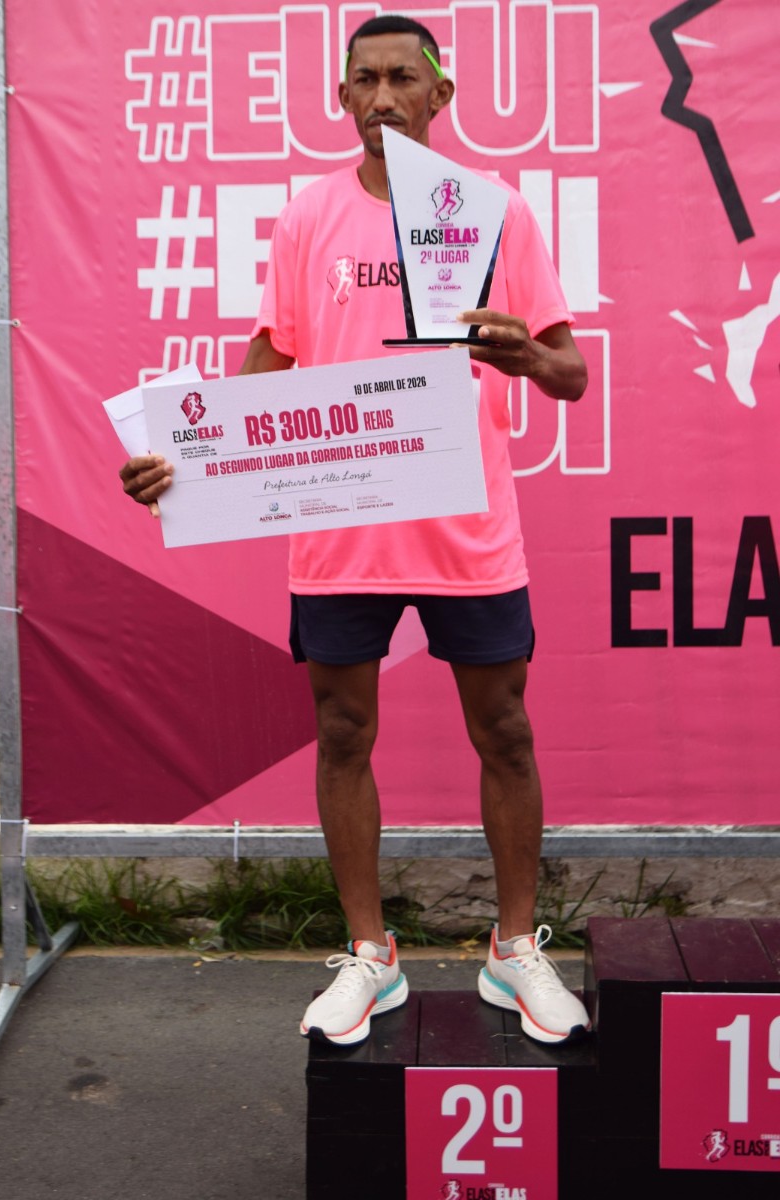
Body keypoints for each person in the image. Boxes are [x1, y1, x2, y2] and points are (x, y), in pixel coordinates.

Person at [120, 15, 591, 1048]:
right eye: (364, 81)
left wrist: (522, 356)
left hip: (466, 527)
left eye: (402, 79)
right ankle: (369, 955)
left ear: (439, 94)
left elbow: (571, 373)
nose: (383, 98)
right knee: (341, 733)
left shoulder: (492, 212)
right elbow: (268, 364)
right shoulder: (307, 218)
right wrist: (187, 463)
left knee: (505, 732)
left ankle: (514, 949)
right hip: (341, 529)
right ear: (341, 99)